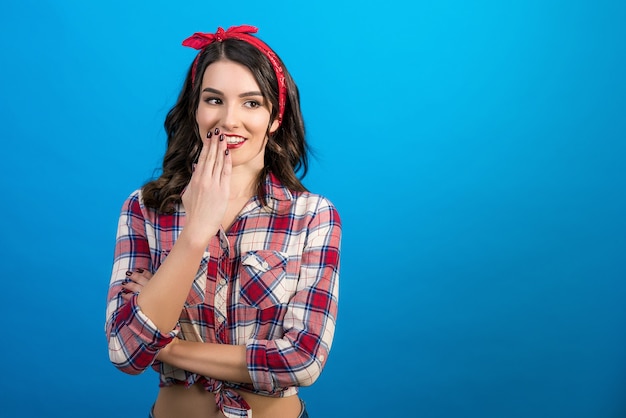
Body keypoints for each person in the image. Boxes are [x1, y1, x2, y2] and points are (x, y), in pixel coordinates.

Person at [104, 25, 341, 418]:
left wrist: (167, 346)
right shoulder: (144, 208)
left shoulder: (313, 216)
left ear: (275, 116)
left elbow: (302, 360)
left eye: (251, 103)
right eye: (214, 99)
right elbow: (125, 352)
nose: (229, 119)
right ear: (196, 109)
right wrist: (194, 234)